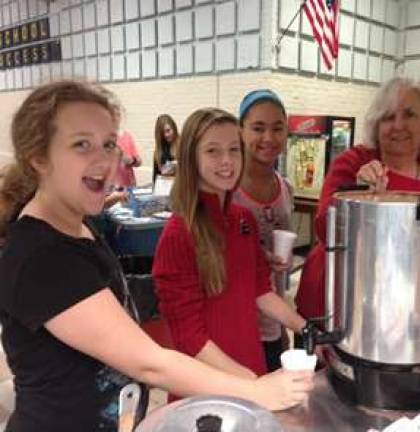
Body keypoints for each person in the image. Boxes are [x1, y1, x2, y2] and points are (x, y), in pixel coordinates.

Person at [0, 81, 313, 432]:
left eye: (108, 144)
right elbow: (150, 363)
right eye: (81, 144)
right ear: (38, 157)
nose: (103, 160)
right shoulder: (41, 257)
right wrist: (254, 388)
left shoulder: (78, 227)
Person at [295, 77, 420, 322]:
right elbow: (326, 229)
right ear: (376, 125)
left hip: (399, 305)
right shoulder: (352, 164)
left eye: (409, 114)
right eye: (388, 117)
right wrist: (359, 196)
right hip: (336, 300)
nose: (398, 125)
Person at [152, 108, 309, 388]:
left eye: (234, 150)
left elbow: (261, 290)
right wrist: (251, 384)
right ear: (191, 158)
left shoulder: (242, 220)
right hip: (209, 383)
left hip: (252, 366)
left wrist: (305, 328)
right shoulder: (179, 234)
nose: (227, 161)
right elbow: (189, 336)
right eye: (213, 151)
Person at [232, 89, 294, 371]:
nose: (268, 138)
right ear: (240, 130)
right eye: (258, 128)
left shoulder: (285, 189)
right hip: (236, 328)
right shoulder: (227, 190)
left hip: (273, 323)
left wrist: (283, 328)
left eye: (277, 129)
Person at [113, 105, 142, 188]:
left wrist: (132, 161)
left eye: (118, 114)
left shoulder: (127, 136)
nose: (116, 118)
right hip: (112, 186)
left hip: (129, 184)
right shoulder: (105, 137)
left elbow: (138, 161)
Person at [153, 114, 179, 182]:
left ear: (174, 127)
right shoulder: (159, 150)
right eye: (162, 133)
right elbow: (155, 176)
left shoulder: (183, 145)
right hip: (165, 187)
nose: (166, 135)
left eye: (168, 130)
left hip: (181, 186)